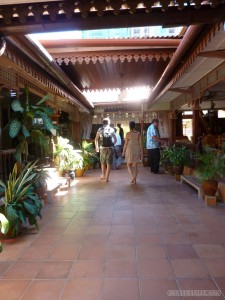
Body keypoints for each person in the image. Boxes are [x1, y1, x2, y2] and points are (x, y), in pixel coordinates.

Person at [95, 118, 117, 182]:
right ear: (109, 123)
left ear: (103, 122)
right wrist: (112, 145)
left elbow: (96, 139)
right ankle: (107, 178)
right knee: (109, 163)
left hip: (102, 148)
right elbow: (115, 139)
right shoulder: (112, 129)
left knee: (102, 162)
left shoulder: (100, 129)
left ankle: (103, 175)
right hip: (110, 147)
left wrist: (97, 147)